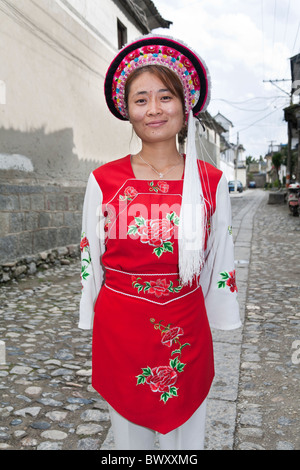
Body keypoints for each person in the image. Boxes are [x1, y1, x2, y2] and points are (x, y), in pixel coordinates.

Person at [79, 34, 241, 450]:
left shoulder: (210, 181)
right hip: (121, 327)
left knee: (184, 439)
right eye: (141, 99)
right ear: (126, 110)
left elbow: (219, 255)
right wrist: (91, 315)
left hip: (184, 327)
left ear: (185, 107)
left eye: (165, 96)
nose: (154, 109)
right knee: (129, 439)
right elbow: (91, 258)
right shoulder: (104, 181)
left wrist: (215, 311)